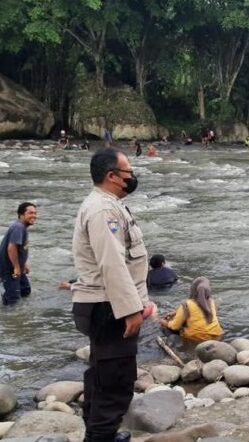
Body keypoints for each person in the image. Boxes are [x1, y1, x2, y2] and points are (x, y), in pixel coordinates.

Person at [71, 148, 154, 442]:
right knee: (115, 381)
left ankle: (99, 434)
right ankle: (100, 436)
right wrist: (131, 309)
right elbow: (112, 263)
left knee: (101, 375)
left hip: (105, 304)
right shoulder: (104, 210)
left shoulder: (108, 204)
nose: (132, 176)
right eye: (128, 171)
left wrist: (141, 300)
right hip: (108, 306)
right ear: (112, 176)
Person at [159, 277, 222, 342]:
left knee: (165, 328)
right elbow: (199, 311)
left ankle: (175, 344)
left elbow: (175, 326)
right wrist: (176, 312)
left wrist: (165, 323)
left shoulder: (187, 304)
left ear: (193, 289)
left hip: (197, 338)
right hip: (216, 335)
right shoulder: (211, 301)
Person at [1, 202, 37, 305]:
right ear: (21, 214)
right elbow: (11, 248)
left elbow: (19, 248)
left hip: (16, 267)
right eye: (30, 213)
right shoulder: (18, 227)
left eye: (35, 213)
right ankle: (9, 319)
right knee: (13, 300)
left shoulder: (21, 227)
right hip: (9, 269)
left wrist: (23, 264)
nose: (34, 216)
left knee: (25, 290)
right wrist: (16, 267)